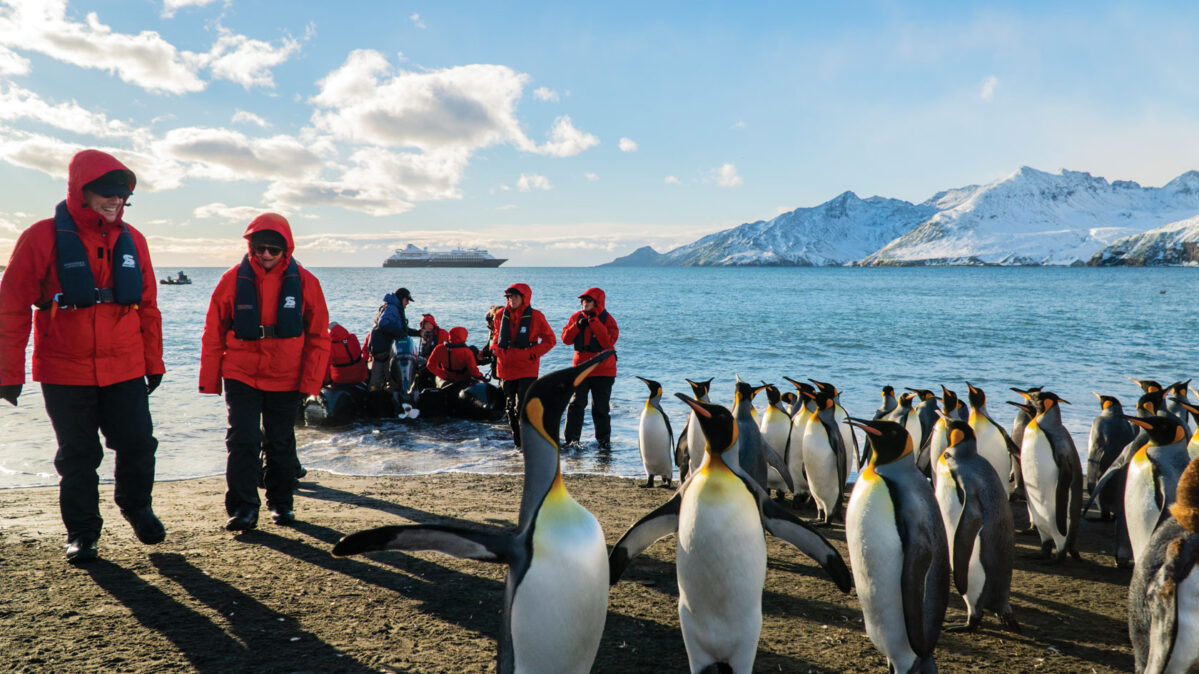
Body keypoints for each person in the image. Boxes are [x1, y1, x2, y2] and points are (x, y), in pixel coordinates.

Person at [0, 149, 166, 563]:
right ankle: (83, 532)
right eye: (107, 192)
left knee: (138, 444)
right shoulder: (40, 237)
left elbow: (148, 305)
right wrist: (8, 371)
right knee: (77, 455)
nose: (116, 201)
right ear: (80, 191)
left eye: (123, 194)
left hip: (124, 364)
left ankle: (135, 505)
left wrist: (154, 361)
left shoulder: (135, 240)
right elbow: (11, 307)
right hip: (63, 369)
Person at [199, 213, 329, 531]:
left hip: (286, 374)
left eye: (273, 249)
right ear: (251, 248)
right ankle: (243, 509)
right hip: (241, 372)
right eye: (260, 249)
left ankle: (281, 504)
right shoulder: (231, 281)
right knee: (242, 439)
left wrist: (312, 382)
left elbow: (319, 337)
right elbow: (213, 332)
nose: (267, 255)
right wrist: (210, 379)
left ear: (287, 249)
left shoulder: (308, 283)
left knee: (280, 441)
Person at [492, 283, 556, 447]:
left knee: (522, 407)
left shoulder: (536, 316)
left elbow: (550, 340)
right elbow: (496, 337)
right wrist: (497, 351)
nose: (512, 300)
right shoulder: (500, 315)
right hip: (506, 366)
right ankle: (518, 445)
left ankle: (531, 442)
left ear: (524, 298)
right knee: (509, 407)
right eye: (509, 297)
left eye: (515, 297)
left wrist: (531, 353)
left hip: (527, 366)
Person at [560, 287, 619, 450]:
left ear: (597, 303)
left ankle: (603, 443)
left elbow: (607, 342)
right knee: (576, 405)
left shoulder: (608, 320)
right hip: (580, 368)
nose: (584, 303)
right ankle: (571, 441)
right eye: (583, 300)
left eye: (588, 300)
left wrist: (593, 320)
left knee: (600, 408)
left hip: (604, 370)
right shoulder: (575, 317)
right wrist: (577, 326)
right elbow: (565, 339)